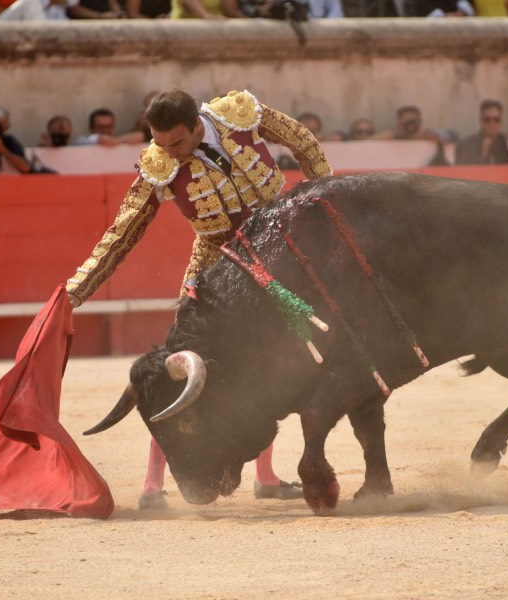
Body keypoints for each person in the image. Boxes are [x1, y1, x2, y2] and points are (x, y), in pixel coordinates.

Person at [65, 89, 332, 508]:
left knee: (272, 362)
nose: (169, 152)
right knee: (178, 373)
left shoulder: (239, 114)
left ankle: (266, 476)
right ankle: (153, 483)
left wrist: (322, 203)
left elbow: (303, 141)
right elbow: (122, 232)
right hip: (214, 268)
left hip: (278, 253)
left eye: (176, 142)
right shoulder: (158, 163)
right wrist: (76, 290)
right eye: (160, 143)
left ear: (196, 124)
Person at [454, 99, 508, 165]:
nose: (492, 123)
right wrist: (484, 155)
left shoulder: (507, 143)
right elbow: (462, 170)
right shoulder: (465, 145)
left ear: (501, 122)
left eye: (496, 120)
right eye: (487, 120)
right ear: (480, 120)